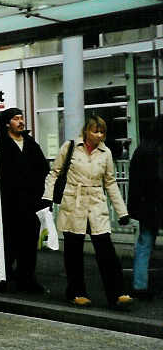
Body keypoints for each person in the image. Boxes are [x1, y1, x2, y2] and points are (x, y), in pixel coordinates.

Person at [43, 115, 132, 309]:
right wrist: (47, 198)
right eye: (95, 131)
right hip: (73, 203)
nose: (99, 135)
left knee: (106, 250)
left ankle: (117, 294)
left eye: (102, 132)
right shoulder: (70, 147)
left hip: (96, 204)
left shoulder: (105, 153)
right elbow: (54, 173)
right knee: (74, 251)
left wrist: (122, 212)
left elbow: (110, 182)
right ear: (86, 131)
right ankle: (76, 292)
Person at [0, 107, 51, 293]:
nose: (20, 122)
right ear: (7, 123)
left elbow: (43, 168)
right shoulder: (1, 144)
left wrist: (41, 196)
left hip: (30, 202)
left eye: (21, 118)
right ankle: (3, 276)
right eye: (16, 119)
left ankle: (27, 278)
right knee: (10, 242)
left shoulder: (30, 143)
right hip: (9, 202)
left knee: (29, 243)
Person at [127, 114, 163, 299]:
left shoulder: (141, 150)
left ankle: (139, 284)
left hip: (146, 206)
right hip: (158, 204)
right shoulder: (158, 151)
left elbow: (135, 182)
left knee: (144, 244)